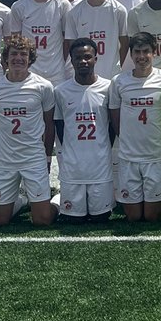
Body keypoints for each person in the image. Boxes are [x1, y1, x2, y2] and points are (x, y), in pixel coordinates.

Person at [0, 34, 56, 227]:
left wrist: (47, 156)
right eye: (14, 54)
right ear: (6, 58)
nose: (18, 58)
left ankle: (58, 201)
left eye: (23, 54)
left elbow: (49, 125)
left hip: (33, 158)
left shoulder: (43, 86)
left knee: (42, 220)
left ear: (30, 59)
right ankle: (25, 201)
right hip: (7, 159)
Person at [109, 32, 161, 222]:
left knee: (152, 217)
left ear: (154, 52)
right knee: (133, 217)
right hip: (129, 156)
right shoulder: (119, 81)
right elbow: (115, 117)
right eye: (137, 52)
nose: (141, 57)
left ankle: (158, 200)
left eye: (146, 52)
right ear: (131, 54)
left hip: (155, 156)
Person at [53, 38, 114, 222]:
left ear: (96, 58)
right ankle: (58, 198)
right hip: (73, 168)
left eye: (87, 57)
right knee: (73, 220)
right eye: (78, 58)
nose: (83, 61)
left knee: (100, 218)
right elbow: (60, 125)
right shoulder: (61, 91)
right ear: (71, 60)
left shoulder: (108, 87)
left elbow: (112, 126)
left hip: (100, 167)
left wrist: (102, 148)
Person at [63, 0, 128, 80]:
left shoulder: (118, 10)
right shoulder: (74, 13)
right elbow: (72, 48)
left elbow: (124, 45)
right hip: (85, 78)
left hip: (111, 77)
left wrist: (120, 71)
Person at [9, 0, 71, 87]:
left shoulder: (62, 4)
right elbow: (15, 41)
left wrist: (63, 63)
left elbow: (68, 40)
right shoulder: (19, 6)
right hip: (30, 72)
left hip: (56, 72)